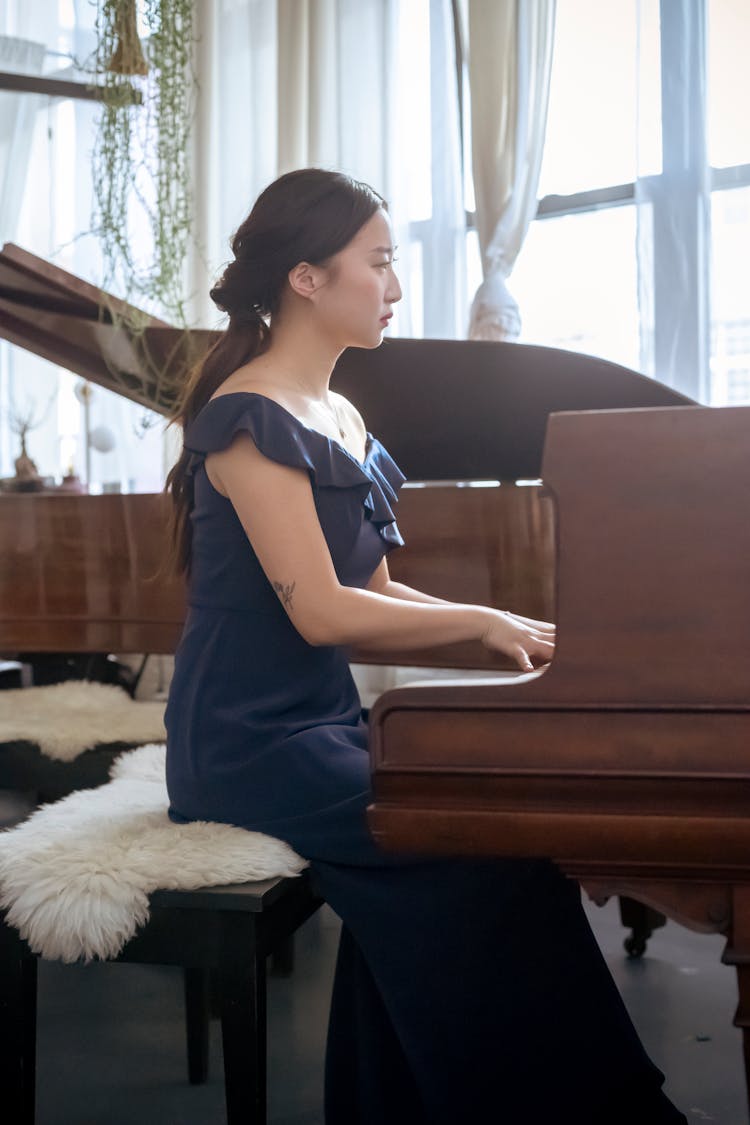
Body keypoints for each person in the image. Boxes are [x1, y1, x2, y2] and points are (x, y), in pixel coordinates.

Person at [164, 168, 686, 1124]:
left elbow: (379, 592)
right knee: (478, 846)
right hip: (244, 745)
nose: (397, 286)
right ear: (307, 279)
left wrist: (518, 637)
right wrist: (483, 624)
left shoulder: (342, 417)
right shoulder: (247, 418)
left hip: (322, 725)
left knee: (496, 834)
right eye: (380, 262)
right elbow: (323, 612)